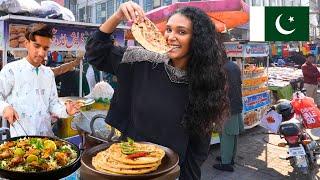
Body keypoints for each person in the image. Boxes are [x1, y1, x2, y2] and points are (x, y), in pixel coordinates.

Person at [85, 2, 229, 179]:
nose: (171, 37)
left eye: (181, 32)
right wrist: (117, 16)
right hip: (125, 166)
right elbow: (95, 53)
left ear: (198, 39)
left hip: (169, 173)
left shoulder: (204, 83)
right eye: (168, 30)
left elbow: (198, 149)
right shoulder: (142, 61)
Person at [0, 23, 80, 137]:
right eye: (37, 46)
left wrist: (66, 110)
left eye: (45, 48)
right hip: (21, 139)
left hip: (46, 138)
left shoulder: (48, 74)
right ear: (27, 44)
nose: (41, 52)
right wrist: (5, 108)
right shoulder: (11, 70)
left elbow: (53, 104)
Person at [213, 59, 244, 172]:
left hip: (227, 106)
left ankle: (226, 162)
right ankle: (229, 157)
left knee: (226, 134)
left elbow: (219, 90)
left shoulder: (222, 69)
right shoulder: (233, 66)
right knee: (232, 133)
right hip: (235, 103)